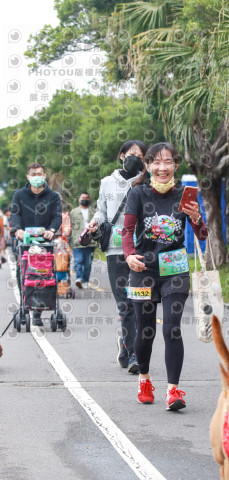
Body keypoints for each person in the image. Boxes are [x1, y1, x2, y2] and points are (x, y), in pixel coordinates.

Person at [122, 142, 208, 410]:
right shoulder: (137, 193)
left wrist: (195, 218)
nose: (162, 167)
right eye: (156, 162)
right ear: (148, 166)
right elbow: (127, 231)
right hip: (143, 269)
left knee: (171, 328)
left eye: (168, 162)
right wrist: (128, 255)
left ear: (175, 166)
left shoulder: (185, 195)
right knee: (145, 331)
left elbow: (203, 235)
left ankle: (173, 391)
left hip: (175, 269)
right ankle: (145, 380)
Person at [87, 140, 148, 375]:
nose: (137, 159)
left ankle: (127, 347)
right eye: (133, 154)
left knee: (139, 303)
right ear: (122, 155)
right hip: (114, 249)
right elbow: (102, 211)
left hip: (139, 248)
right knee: (125, 304)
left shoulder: (147, 183)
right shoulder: (106, 183)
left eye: (142, 156)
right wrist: (95, 222)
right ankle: (132, 351)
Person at [11, 162, 62, 326]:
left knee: (44, 273)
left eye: (39, 174)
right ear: (28, 176)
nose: (36, 177)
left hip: (44, 242)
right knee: (24, 273)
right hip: (25, 242)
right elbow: (15, 214)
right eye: (33, 174)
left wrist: (52, 230)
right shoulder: (19, 195)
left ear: (44, 176)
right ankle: (25, 306)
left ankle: (38, 310)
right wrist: (18, 230)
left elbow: (57, 216)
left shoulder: (53, 196)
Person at [70, 192, 96, 289]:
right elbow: (69, 226)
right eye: (83, 198)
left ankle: (85, 281)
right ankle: (79, 278)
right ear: (79, 200)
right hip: (77, 242)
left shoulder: (93, 212)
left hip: (91, 242)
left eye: (87, 198)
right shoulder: (74, 212)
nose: (85, 199)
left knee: (88, 263)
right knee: (79, 260)